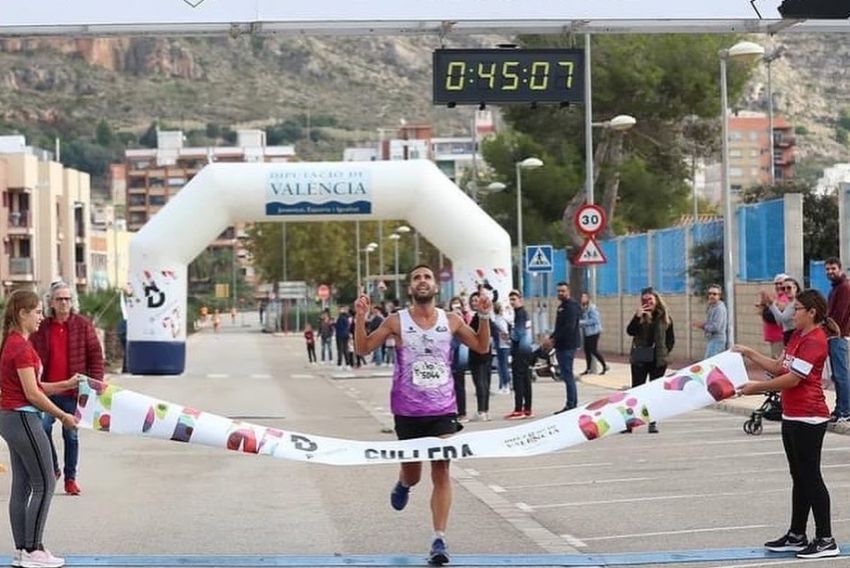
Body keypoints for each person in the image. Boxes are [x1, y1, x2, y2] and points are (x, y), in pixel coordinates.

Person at [353, 265, 491, 566]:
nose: (423, 281)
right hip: (407, 411)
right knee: (414, 474)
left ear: (435, 287)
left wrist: (483, 315)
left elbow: (482, 346)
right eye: (417, 277)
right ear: (410, 288)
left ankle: (439, 539)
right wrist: (360, 317)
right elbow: (362, 349)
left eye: (427, 277)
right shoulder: (396, 321)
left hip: (443, 410)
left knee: (441, 471)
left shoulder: (451, 320)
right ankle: (403, 483)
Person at [734, 289, 841, 559]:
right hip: (792, 414)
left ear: (812, 313)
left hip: (810, 416)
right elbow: (778, 366)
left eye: (797, 310)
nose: (792, 314)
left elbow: (793, 379)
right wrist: (748, 352)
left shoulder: (816, 340)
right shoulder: (796, 337)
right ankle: (796, 534)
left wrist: (754, 388)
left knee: (811, 476)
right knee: (799, 476)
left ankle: (826, 539)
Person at [1, 290, 79, 568]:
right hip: (22, 417)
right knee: (45, 482)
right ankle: (34, 551)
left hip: (12, 417)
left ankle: (23, 551)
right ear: (22, 313)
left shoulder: (14, 343)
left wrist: (66, 384)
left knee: (22, 486)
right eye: (36, 312)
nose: (41, 317)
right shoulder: (20, 347)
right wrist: (63, 415)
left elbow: (34, 386)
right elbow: (32, 395)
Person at [30, 281, 104, 496]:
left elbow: (96, 357)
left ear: (73, 302)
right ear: (51, 302)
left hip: (73, 393)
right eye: (59, 299)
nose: (64, 303)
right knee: (42, 429)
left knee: (70, 435)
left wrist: (95, 387)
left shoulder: (83, 325)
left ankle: (70, 479)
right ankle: (53, 468)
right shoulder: (42, 327)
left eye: (67, 299)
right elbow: (30, 354)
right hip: (47, 391)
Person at [626, 287, 675, 434]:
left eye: (650, 300)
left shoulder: (665, 317)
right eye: (644, 300)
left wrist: (664, 353)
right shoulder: (640, 317)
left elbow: (671, 339)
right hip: (640, 358)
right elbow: (630, 331)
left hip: (658, 361)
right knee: (636, 391)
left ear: (656, 300)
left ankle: (652, 422)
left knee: (654, 392)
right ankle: (630, 424)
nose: (647, 303)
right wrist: (637, 317)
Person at [547, 282, 581, 414]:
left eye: (563, 291)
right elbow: (559, 327)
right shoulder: (562, 306)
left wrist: (554, 339)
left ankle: (571, 404)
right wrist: (552, 337)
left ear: (569, 291)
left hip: (568, 345)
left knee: (567, 374)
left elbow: (569, 327)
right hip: (561, 345)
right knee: (566, 374)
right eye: (558, 291)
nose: (560, 293)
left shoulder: (571, 306)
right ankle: (571, 402)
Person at [825, 257, 850, 422]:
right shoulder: (835, 288)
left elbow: (838, 315)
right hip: (834, 336)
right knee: (837, 375)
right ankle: (840, 408)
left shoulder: (844, 288)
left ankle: (846, 411)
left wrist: (827, 328)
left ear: (840, 269)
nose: (830, 272)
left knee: (841, 375)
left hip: (839, 336)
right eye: (827, 269)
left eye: (833, 268)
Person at [506, 290, 534, 419]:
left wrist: (510, 336)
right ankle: (527, 408)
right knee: (526, 379)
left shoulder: (520, 314)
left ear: (520, 300)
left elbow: (519, 333)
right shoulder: (522, 313)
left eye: (514, 299)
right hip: (526, 350)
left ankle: (519, 409)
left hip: (520, 351)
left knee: (519, 380)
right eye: (510, 299)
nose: (512, 302)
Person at [467, 291, 494, 421]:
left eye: (477, 300)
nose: (474, 303)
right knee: (484, 382)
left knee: (481, 382)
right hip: (484, 354)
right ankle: (484, 410)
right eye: (472, 301)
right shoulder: (480, 317)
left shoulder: (481, 317)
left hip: (479, 354)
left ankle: (482, 410)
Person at [693, 284, 728, 359]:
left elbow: (716, 327)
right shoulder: (712, 307)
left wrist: (702, 325)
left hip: (717, 340)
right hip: (713, 339)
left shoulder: (719, 309)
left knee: (710, 364)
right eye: (710, 294)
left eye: (714, 294)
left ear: (719, 296)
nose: (711, 296)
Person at [579, 293, 609, 375]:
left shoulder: (592, 308)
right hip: (587, 332)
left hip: (594, 332)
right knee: (587, 350)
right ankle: (588, 369)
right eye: (581, 297)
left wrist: (581, 323)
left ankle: (604, 366)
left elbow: (595, 320)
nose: (582, 298)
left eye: (584, 297)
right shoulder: (583, 308)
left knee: (593, 350)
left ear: (588, 298)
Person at [770, 277, 801, 345]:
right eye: (783, 288)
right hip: (787, 334)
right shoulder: (789, 303)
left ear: (795, 288)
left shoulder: (796, 303)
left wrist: (771, 305)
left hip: (793, 334)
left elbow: (782, 319)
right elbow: (780, 322)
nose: (786, 290)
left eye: (789, 288)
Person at [492, 302, 512, 395]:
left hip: (503, 345)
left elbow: (505, 331)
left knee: (503, 365)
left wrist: (506, 339)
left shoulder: (499, 319)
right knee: (501, 366)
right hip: (501, 345)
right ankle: (502, 385)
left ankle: (506, 385)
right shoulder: (500, 318)